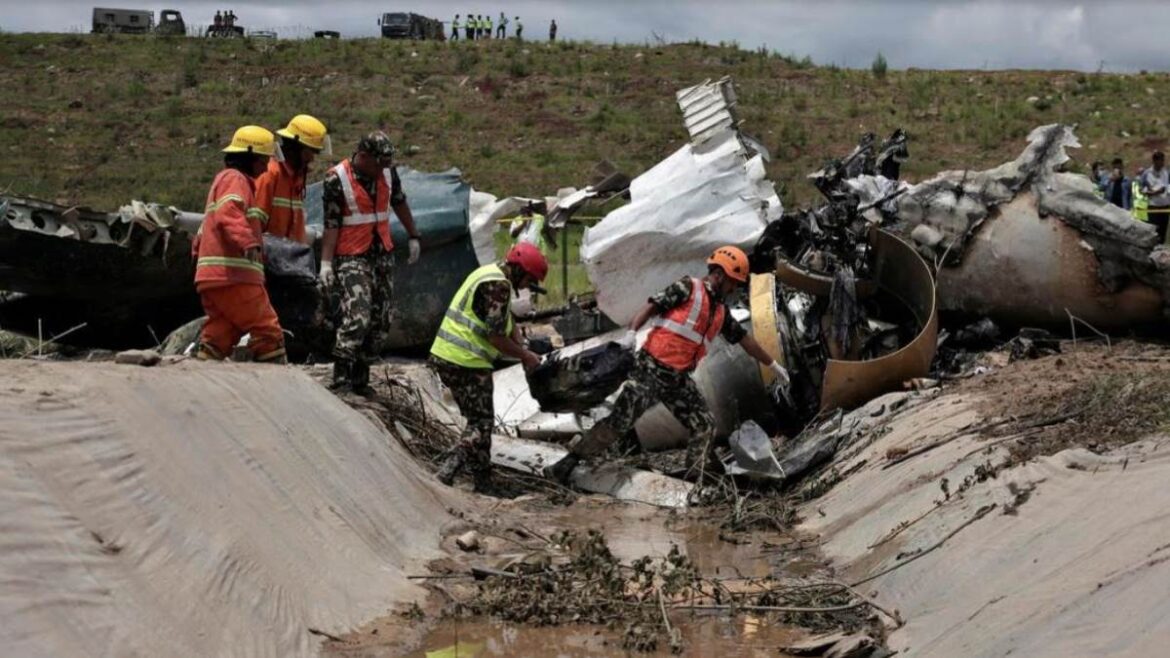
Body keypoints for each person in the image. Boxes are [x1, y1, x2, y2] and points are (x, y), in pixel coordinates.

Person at [543, 246, 791, 484]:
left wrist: (772, 364)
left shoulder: (721, 313)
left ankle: (697, 477)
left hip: (678, 379)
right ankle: (567, 463)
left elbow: (745, 341)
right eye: (733, 282)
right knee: (618, 423)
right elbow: (652, 306)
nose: (734, 288)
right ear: (719, 275)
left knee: (703, 424)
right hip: (650, 369)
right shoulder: (688, 288)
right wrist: (631, 333)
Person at [431, 242, 548, 491]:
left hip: (446, 355)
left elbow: (505, 318)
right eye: (529, 279)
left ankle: (483, 482)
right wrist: (525, 356)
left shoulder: (488, 273)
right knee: (481, 424)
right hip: (466, 361)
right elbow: (495, 337)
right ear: (519, 270)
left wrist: (521, 342)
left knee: (479, 421)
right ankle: (449, 468)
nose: (527, 286)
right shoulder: (499, 286)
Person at [319, 132, 422, 393]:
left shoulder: (387, 172)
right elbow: (331, 223)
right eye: (378, 164)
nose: (382, 170)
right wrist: (326, 263)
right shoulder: (336, 179)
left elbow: (399, 202)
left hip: (381, 254)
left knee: (381, 321)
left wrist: (414, 236)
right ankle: (341, 378)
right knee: (358, 317)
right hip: (351, 255)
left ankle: (360, 379)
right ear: (362, 156)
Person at [192, 125, 287, 364]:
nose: (266, 167)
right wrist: (248, 242)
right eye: (263, 160)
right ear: (251, 157)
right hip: (234, 277)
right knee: (267, 330)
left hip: (213, 278)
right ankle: (277, 390)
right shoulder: (236, 180)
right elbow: (229, 212)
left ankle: (200, 376)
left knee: (221, 332)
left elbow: (206, 228)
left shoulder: (222, 182)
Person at [253, 114, 329, 244]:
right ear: (295, 148)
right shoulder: (270, 174)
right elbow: (254, 225)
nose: (311, 159)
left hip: (289, 259)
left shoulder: (295, 179)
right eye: (309, 152)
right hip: (271, 258)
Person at [1140, 151, 1170, 242]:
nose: (1162, 163)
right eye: (1160, 161)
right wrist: (1154, 192)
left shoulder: (1166, 172)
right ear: (1154, 161)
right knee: (1153, 231)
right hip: (1153, 206)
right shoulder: (1147, 173)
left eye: (1163, 160)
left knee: (1163, 231)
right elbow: (1141, 189)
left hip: (1165, 206)